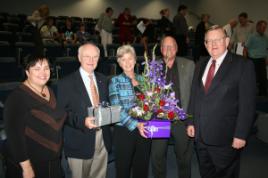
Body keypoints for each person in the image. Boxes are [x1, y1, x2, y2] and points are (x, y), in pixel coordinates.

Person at [187, 25, 256, 178]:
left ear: (227, 41)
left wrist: (241, 134)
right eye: (209, 41)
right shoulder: (200, 64)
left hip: (226, 138)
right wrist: (190, 122)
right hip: (201, 137)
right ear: (204, 44)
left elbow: (248, 105)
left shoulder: (243, 65)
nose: (213, 44)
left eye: (217, 39)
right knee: (206, 174)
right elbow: (195, 95)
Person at [4, 54, 66, 178]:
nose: (43, 72)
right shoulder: (17, 97)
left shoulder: (49, 90)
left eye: (46, 68)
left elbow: (57, 118)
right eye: (37, 69)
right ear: (27, 72)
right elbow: (14, 137)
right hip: (32, 163)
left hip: (53, 160)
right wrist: (26, 168)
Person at [57, 43, 112, 178]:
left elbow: (106, 104)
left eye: (95, 57)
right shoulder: (66, 83)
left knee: (99, 175)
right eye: (87, 56)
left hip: (102, 138)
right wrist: (82, 121)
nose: (91, 60)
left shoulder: (103, 80)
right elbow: (61, 114)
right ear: (79, 57)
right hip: (79, 140)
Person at [151, 36, 195, 178]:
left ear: (176, 48)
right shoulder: (153, 66)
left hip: (181, 119)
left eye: (171, 46)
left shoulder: (188, 65)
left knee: (184, 156)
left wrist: (191, 120)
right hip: (159, 118)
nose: (168, 49)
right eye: (165, 46)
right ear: (161, 49)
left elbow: (195, 94)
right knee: (157, 156)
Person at [109, 45, 151, 178]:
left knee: (142, 166)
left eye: (130, 58)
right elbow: (117, 109)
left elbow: (150, 104)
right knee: (123, 168)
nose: (127, 62)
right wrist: (136, 125)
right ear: (119, 63)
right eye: (123, 59)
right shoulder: (115, 81)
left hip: (144, 129)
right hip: (124, 131)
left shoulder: (144, 80)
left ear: (135, 60)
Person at [244, 20, 268, 96]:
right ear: (258, 27)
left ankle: (263, 93)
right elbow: (245, 49)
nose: (264, 29)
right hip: (253, 60)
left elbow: (266, 49)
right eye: (262, 27)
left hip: (262, 60)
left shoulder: (265, 37)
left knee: (263, 78)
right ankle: (251, 94)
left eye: (265, 27)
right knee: (253, 78)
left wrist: (267, 58)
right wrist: (245, 61)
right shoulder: (252, 36)